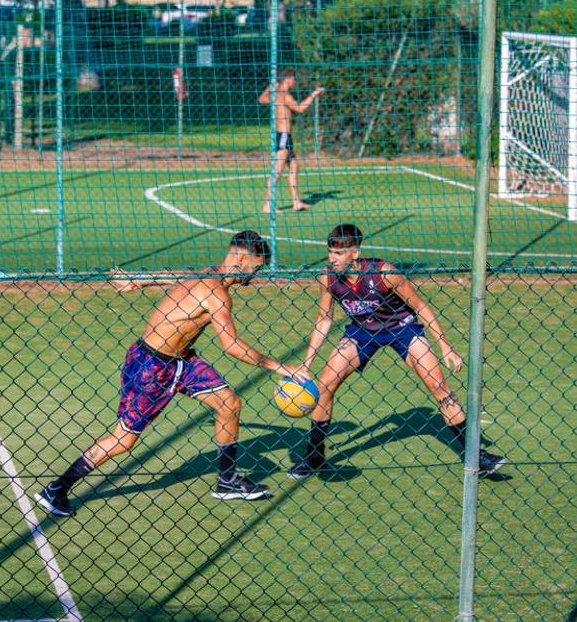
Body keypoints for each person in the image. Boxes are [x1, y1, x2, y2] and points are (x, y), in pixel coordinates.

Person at [35, 231, 311, 517]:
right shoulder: (217, 295)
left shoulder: (206, 275)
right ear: (242, 260)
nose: (255, 275)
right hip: (152, 368)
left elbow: (174, 275)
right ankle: (57, 488)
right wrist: (282, 367)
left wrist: (138, 280)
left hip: (182, 362)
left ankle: (227, 480)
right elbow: (231, 346)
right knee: (123, 440)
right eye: (256, 267)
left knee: (229, 403)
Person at [287, 224, 508, 479]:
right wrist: (307, 363)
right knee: (325, 384)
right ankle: (315, 455)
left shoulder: (384, 273)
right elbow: (324, 319)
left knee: (438, 386)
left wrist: (444, 345)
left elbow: (421, 306)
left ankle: (477, 456)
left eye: (339, 253)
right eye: (330, 252)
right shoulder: (328, 277)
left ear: (355, 253)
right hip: (361, 331)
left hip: (402, 328)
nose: (332, 258)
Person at [257, 68, 324, 213]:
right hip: (282, 136)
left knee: (294, 166)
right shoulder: (285, 96)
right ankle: (268, 205)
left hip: (285, 136)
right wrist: (313, 95)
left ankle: (296, 202)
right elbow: (300, 108)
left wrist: (271, 86)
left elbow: (261, 99)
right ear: (288, 79)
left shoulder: (275, 94)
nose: (295, 82)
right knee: (278, 170)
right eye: (294, 79)